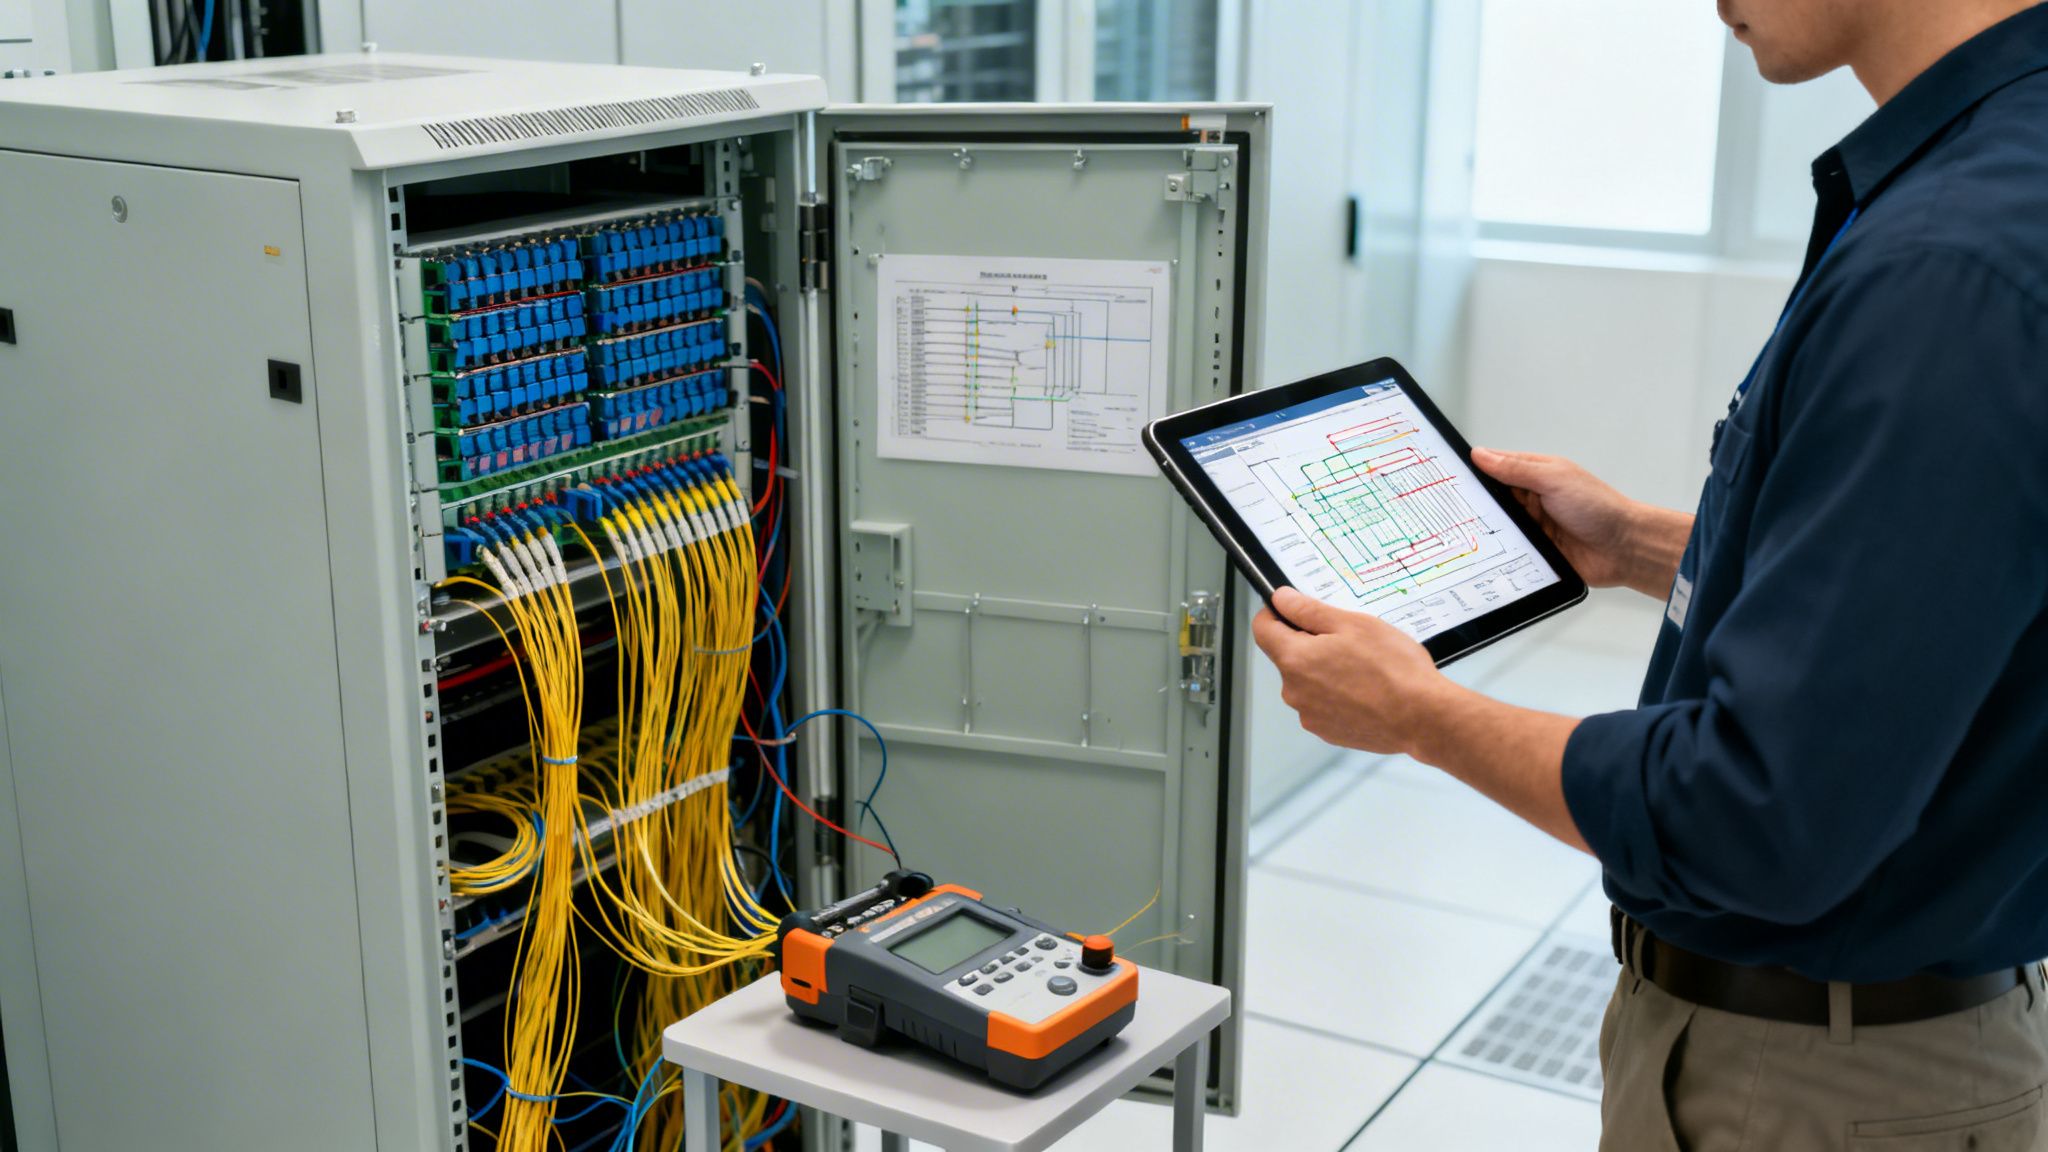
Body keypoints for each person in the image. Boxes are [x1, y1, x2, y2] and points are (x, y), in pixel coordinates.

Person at [1251, 1, 2048, 1148]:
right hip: (1891, 1032)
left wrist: (1418, 713)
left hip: (1825, 1085)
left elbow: (1756, 813)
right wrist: (1635, 544)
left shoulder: (1943, 265)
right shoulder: (2000, 174)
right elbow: (1949, 592)